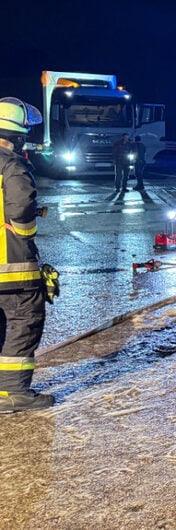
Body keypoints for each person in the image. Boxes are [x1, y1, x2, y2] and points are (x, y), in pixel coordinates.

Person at [0, 97, 54, 413]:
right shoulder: (12, 165)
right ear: (18, 135)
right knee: (24, 323)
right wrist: (25, 233)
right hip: (11, 266)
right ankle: (12, 393)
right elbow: (21, 208)